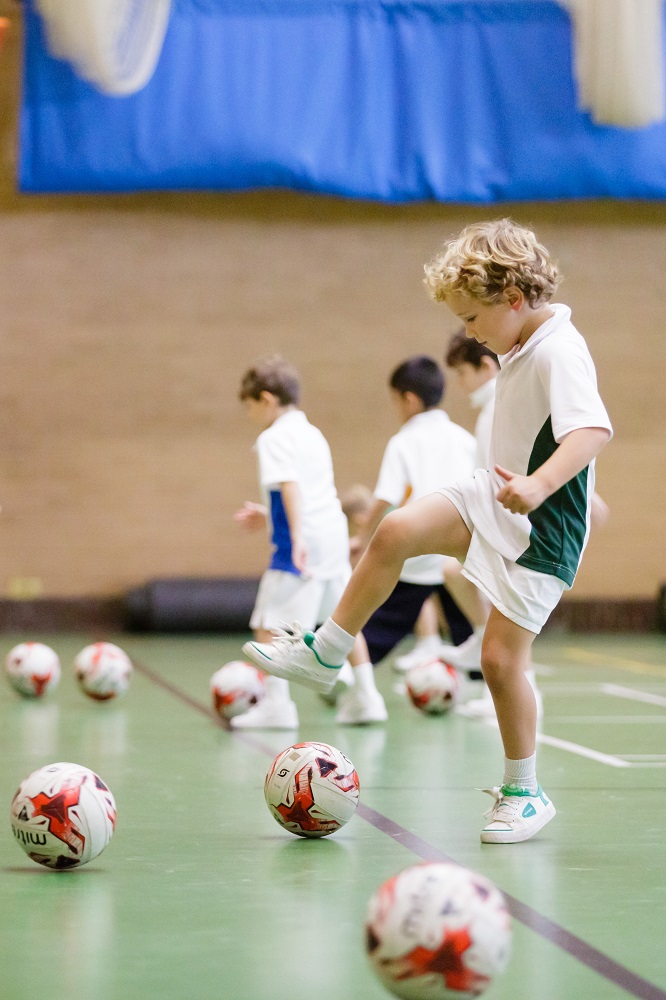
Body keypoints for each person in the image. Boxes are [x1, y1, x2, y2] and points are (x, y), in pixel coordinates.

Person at [242, 219, 612, 844]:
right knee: (394, 532)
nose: (467, 332)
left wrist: (540, 485)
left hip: (541, 529)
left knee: (499, 661)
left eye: (471, 317)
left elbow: (592, 432)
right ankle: (328, 652)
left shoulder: (559, 348)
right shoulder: (521, 345)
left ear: (514, 299)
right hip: (494, 496)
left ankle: (525, 790)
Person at [233, 355, 383, 728]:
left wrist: (296, 537)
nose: (250, 415)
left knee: (270, 623)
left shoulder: (273, 438)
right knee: (344, 623)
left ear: (266, 399)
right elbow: (312, 494)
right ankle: (367, 697)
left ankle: (277, 707)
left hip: (302, 543)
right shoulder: (312, 433)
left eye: (250, 406)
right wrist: (268, 516)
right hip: (330, 537)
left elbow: (290, 487)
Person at [336, 355, 476, 722]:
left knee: (379, 623)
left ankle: (345, 675)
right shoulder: (464, 439)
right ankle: (483, 685)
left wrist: (363, 538)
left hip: (418, 554)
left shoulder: (404, 441)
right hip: (461, 552)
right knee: (472, 627)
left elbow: (386, 497)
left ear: (409, 399)